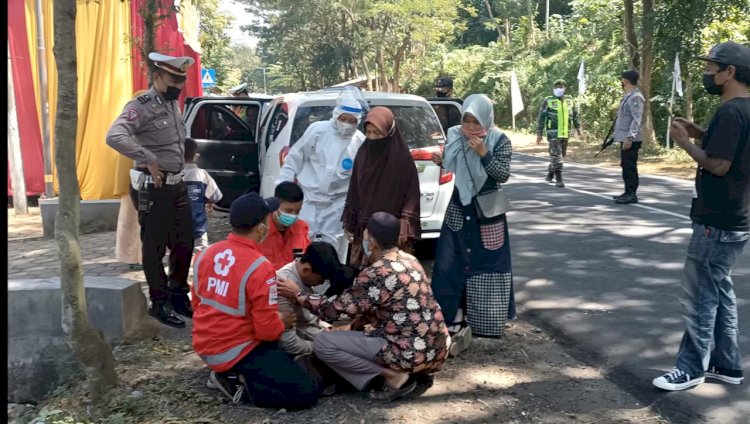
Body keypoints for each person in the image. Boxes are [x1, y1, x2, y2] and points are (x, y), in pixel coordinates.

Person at [652, 41, 750, 392]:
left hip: (717, 221)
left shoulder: (730, 111)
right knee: (719, 290)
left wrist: (684, 143)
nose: (707, 73)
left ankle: (690, 367)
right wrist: (700, 134)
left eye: (712, 67)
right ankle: (727, 365)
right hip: (736, 218)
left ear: (730, 72)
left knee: (699, 296)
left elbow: (720, 165)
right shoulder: (744, 110)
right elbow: (730, 150)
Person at [276, 212, 450, 403]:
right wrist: (353, 327)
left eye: (365, 237)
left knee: (323, 344)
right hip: (437, 348)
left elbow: (334, 310)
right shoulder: (410, 260)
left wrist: (298, 295)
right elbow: (381, 306)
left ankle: (393, 377)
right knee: (347, 335)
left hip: (408, 352)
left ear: (372, 242)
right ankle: (407, 373)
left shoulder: (376, 272)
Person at [192, 192, 321, 408]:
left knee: (284, 363)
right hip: (237, 349)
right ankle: (236, 385)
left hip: (204, 343)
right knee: (307, 391)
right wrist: (282, 321)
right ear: (261, 228)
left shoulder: (206, 254)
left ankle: (229, 372)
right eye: (266, 220)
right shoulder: (259, 267)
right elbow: (267, 332)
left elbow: (197, 304)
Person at [106, 52, 196, 328]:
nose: (178, 86)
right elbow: (114, 135)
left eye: (181, 80)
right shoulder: (141, 105)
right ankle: (160, 302)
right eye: (173, 80)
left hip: (176, 184)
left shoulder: (172, 104)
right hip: (153, 187)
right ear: (157, 76)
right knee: (154, 247)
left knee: (184, 242)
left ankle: (179, 294)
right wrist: (147, 157)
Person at [430, 94, 516, 351]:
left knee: (487, 263)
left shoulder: (500, 139)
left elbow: (503, 174)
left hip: (488, 210)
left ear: (485, 119)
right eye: (466, 121)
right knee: (451, 263)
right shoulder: (455, 134)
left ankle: (486, 320)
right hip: (459, 207)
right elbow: (450, 164)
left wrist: (484, 153)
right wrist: (441, 160)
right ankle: (452, 316)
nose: (469, 128)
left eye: (474, 122)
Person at [276, 89, 366, 263]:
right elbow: (294, 159)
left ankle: (329, 288)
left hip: (337, 205)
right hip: (308, 201)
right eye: (343, 119)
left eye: (351, 121)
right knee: (301, 245)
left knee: (333, 249)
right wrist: (282, 190)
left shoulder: (359, 142)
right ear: (336, 115)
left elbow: (361, 180)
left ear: (358, 121)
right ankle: (297, 286)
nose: (346, 124)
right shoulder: (318, 130)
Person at [343, 106, 421, 268]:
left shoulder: (401, 159)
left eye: (377, 133)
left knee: (394, 280)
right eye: (369, 132)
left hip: (393, 234)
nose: (372, 137)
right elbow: (355, 191)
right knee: (364, 281)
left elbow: (411, 195)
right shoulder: (363, 154)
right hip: (365, 232)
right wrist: (351, 222)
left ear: (389, 132)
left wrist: (404, 226)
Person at [276, 242, 342, 356]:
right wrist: (321, 348)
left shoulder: (301, 279)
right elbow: (289, 343)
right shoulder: (284, 286)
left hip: (313, 332)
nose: (320, 284)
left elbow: (308, 316)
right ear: (306, 269)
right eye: (320, 280)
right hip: (301, 342)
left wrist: (326, 326)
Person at [535, 79, 581, 188]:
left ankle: (551, 173)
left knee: (561, 155)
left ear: (565, 88)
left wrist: (578, 128)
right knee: (557, 157)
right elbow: (541, 117)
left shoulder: (570, 100)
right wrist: (539, 133)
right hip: (553, 134)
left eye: (561, 87)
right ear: (553, 89)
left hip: (565, 133)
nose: (558, 89)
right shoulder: (548, 101)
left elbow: (575, 116)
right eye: (556, 87)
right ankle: (559, 179)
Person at [611, 70, 645, 204]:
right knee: (625, 165)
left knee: (630, 166)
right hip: (624, 137)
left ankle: (632, 194)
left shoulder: (636, 97)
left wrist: (630, 137)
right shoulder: (628, 96)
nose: (621, 82)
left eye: (622, 80)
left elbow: (636, 119)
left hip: (631, 139)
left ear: (626, 81)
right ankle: (627, 191)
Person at [258, 181, 311, 270]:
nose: (293, 215)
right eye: (289, 211)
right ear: (276, 206)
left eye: (297, 211)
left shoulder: (302, 229)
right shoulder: (260, 231)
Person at [183, 138, 222, 252]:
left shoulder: (173, 174)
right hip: (198, 227)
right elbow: (216, 196)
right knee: (199, 257)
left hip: (175, 227)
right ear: (196, 156)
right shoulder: (202, 175)